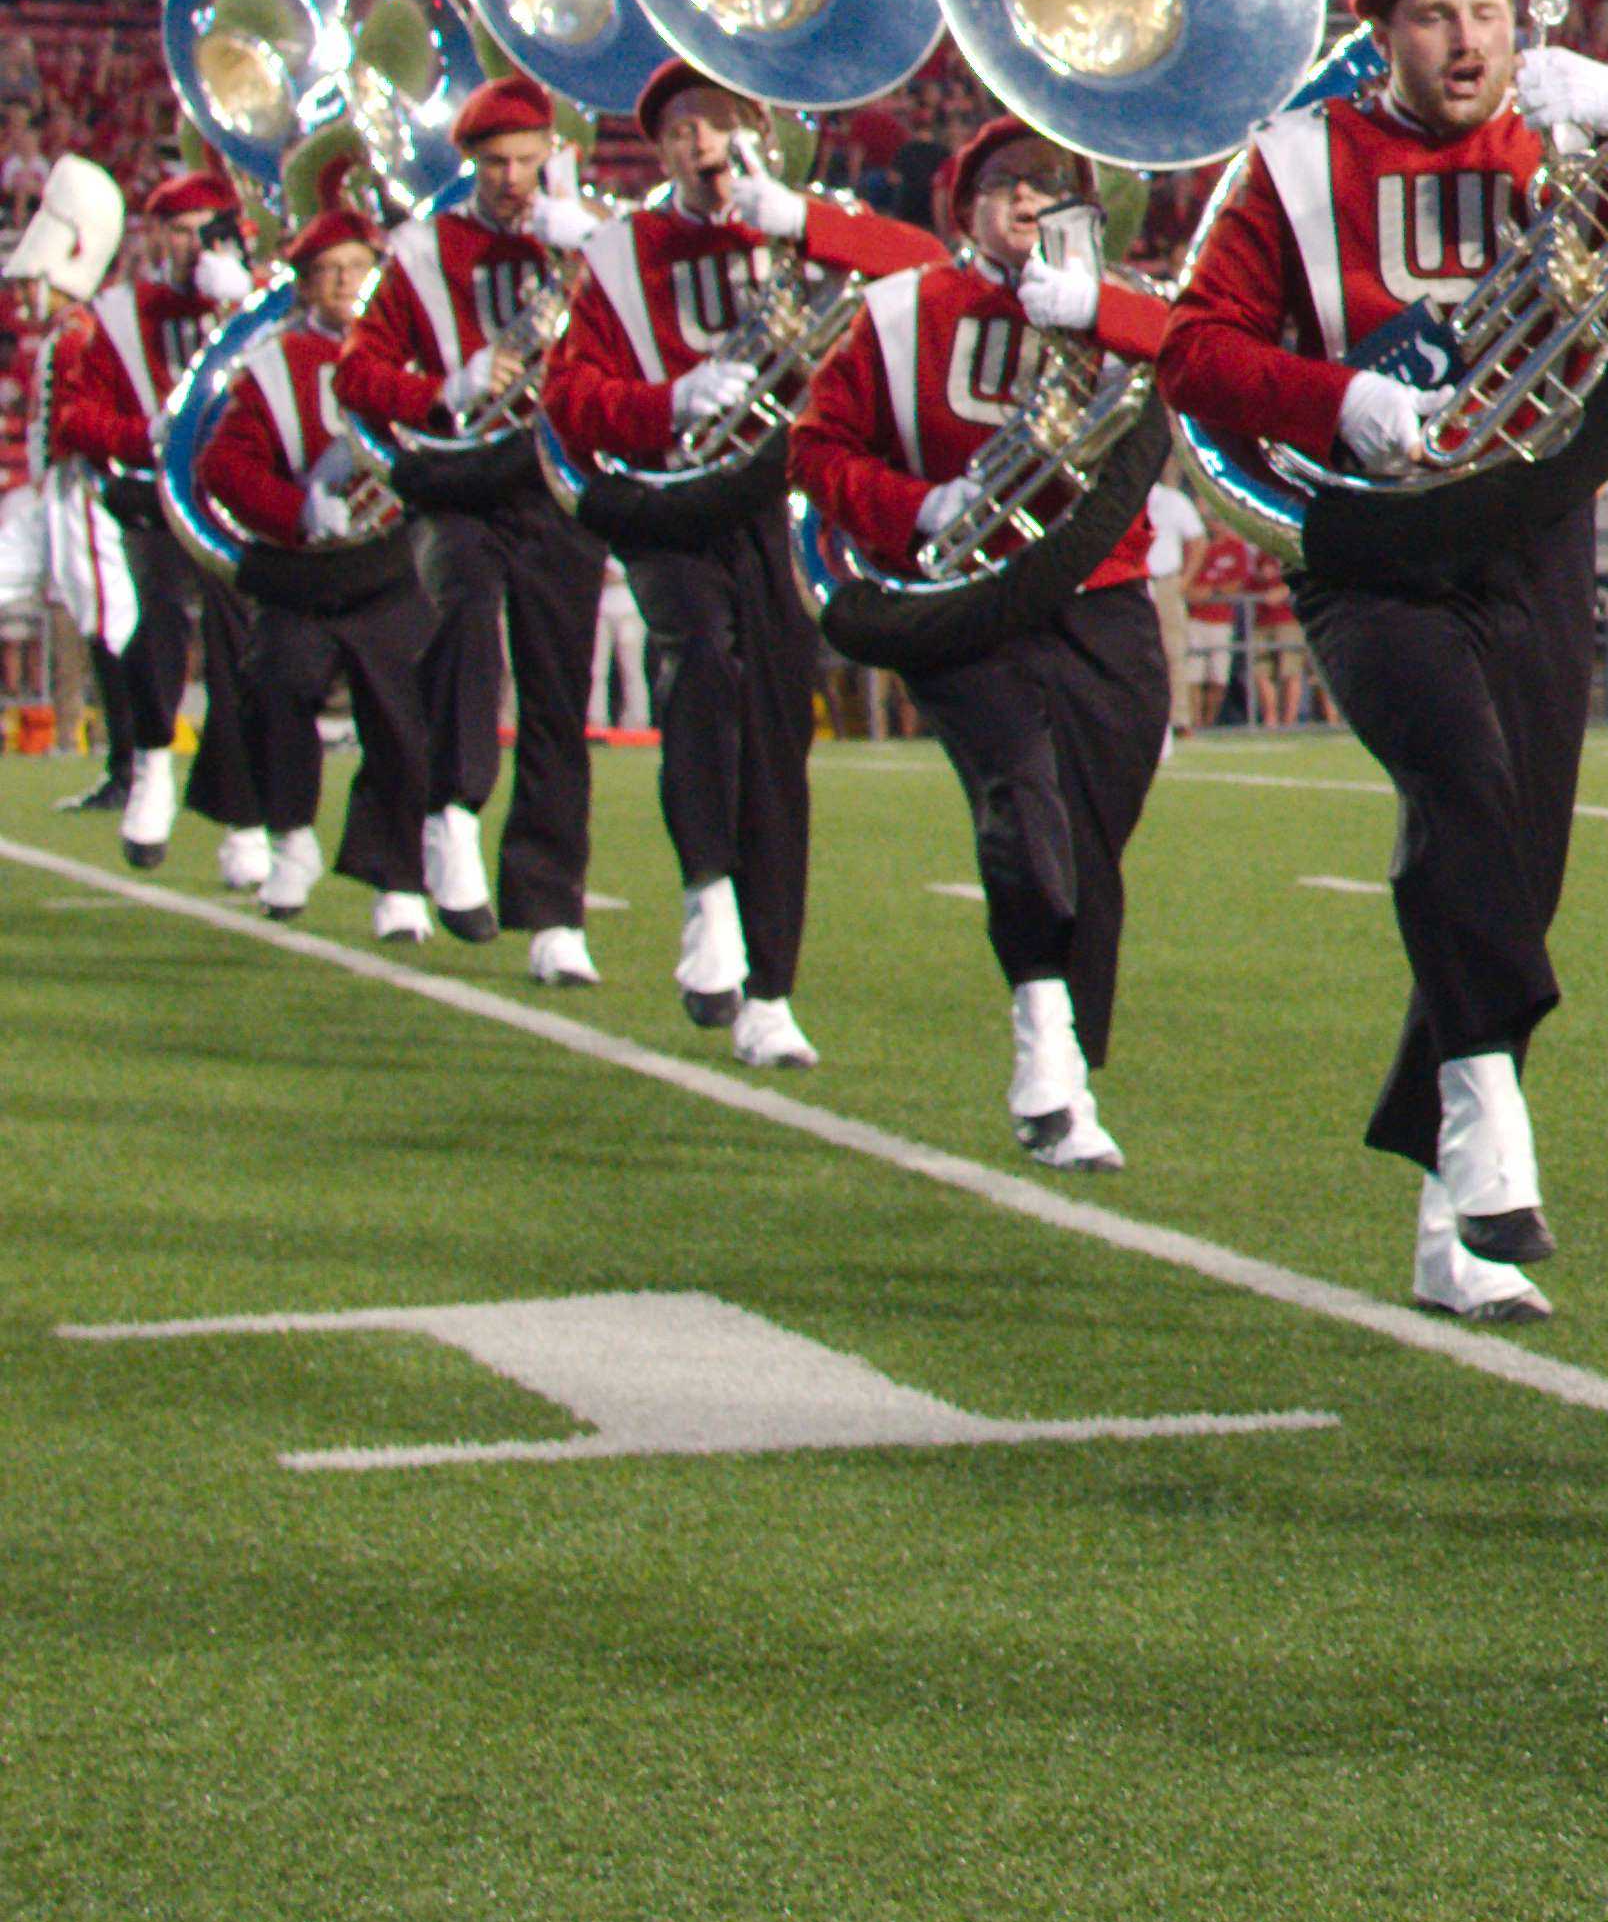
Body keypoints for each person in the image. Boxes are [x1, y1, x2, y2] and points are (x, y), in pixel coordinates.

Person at [1159, 0, 1608, 1323]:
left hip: (1529, 526)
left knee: (1522, 857)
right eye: (1437, 18)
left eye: (1489, 16)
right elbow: (1195, 352)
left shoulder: (1564, 144)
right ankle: (1488, 1098)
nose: (1468, 44)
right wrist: (1345, 402)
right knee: (1459, 775)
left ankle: (1451, 1219)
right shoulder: (1294, 163)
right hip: (1372, 542)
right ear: (1383, 35)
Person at [788, 122, 1176, 1170]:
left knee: (1095, 822)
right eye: (1007, 185)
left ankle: (1066, 1061)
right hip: (962, 594)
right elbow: (816, 449)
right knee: (1023, 794)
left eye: (1053, 187)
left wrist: (1111, 315)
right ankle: (1044, 1040)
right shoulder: (897, 311)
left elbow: (1202, 365)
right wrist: (919, 506)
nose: (1029, 203)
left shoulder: (1122, 307)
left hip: (1102, 590)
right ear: (964, 207)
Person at [540, 66, 941, 1066]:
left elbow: (929, 266)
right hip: (674, 506)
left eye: (718, 121)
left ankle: (772, 989)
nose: (701, 143)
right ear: (659, 151)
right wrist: (668, 401)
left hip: (779, 502)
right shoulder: (622, 252)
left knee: (777, 733)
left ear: (756, 127)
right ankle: (706, 898)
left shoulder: (804, 227)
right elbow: (568, 400)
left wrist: (801, 217)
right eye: (678, 130)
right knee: (701, 673)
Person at [326, 77, 607, 959]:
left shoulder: (594, 244)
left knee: (560, 696)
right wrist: (441, 388)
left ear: (554, 156)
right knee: (461, 621)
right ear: (470, 165)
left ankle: (553, 913)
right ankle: (451, 813)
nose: (514, 179)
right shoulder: (420, 253)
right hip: (454, 479)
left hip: (554, 481)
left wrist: (600, 258)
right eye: (495, 164)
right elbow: (354, 376)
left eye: (528, 161)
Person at [200, 207, 426, 927]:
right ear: (302, 286)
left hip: (387, 565)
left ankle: (398, 879)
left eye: (356, 268)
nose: (341, 282)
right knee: (276, 693)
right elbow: (223, 464)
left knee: (402, 722)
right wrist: (297, 509)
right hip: (301, 573)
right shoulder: (270, 366)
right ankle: (290, 837)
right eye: (326, 271)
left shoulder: (412, 351)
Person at [44, 165, 244, 865]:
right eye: (180, 233)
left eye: (206, 232)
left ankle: (243, 813)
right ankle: (152, 766)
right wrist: (142, 438)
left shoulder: (252, 306)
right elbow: (75, 415)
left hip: (239, 500)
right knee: (153, 623)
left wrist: (245, 309)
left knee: (242, 650)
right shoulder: (116, 314)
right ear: (156, 236)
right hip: (153, 500)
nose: (194, 248)